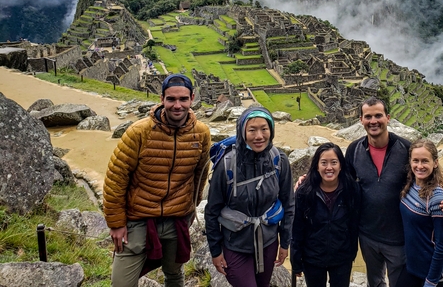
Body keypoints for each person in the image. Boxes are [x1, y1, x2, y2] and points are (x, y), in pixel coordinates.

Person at [103, 73, 211, 287]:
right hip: (138, 220)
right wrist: (116, 223)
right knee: (121, 283)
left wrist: (191, 208)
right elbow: (116, 178)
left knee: (174, 274)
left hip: (176, 218)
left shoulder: (201, 133)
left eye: (183, 99)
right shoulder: (139, 132)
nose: (177, 105)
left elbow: (200, 175)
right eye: (171, 99)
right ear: (161, 99)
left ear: (192, 98)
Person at [344, 97, 443, 287]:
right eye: (368, 116)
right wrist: (307, 181)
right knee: (375, 282)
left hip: (398, 239)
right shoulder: (354, 150)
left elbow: (424, 172)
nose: (373, 121)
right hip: (367, 234)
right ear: (361, 120)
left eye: (378, 115)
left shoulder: (404, 148)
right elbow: (343, 183)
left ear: (388, 118)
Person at [204, 106, 294, 287]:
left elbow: (288, 203)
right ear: (242, 131)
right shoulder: (227, 165)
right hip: (235, 244)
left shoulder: (279, 161)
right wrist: (215, 251)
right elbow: (212, 211)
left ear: (271, 130)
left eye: (264, 129)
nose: (259, 136)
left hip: (268, 242)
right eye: (252, 130)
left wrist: (284, 243)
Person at [291, 143, 361, 287]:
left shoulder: (352, 189)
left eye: (334, 162)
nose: (329, 168)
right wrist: (296, 260)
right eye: (324, 163)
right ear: (317, 166)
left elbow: (354, 224)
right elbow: (297, 227)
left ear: (341, 165)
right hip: (312, 257)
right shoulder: (305, 192)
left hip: (342, 257)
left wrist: (351, 253)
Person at [398, 140, 443, 286]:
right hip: (412, 268)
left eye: (425, 161)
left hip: (434, 276)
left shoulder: (437, 199)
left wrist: (430, 283)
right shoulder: (410, 185)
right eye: (415, 160)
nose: (419, 166)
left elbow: (442, 247)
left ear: (435, 163)